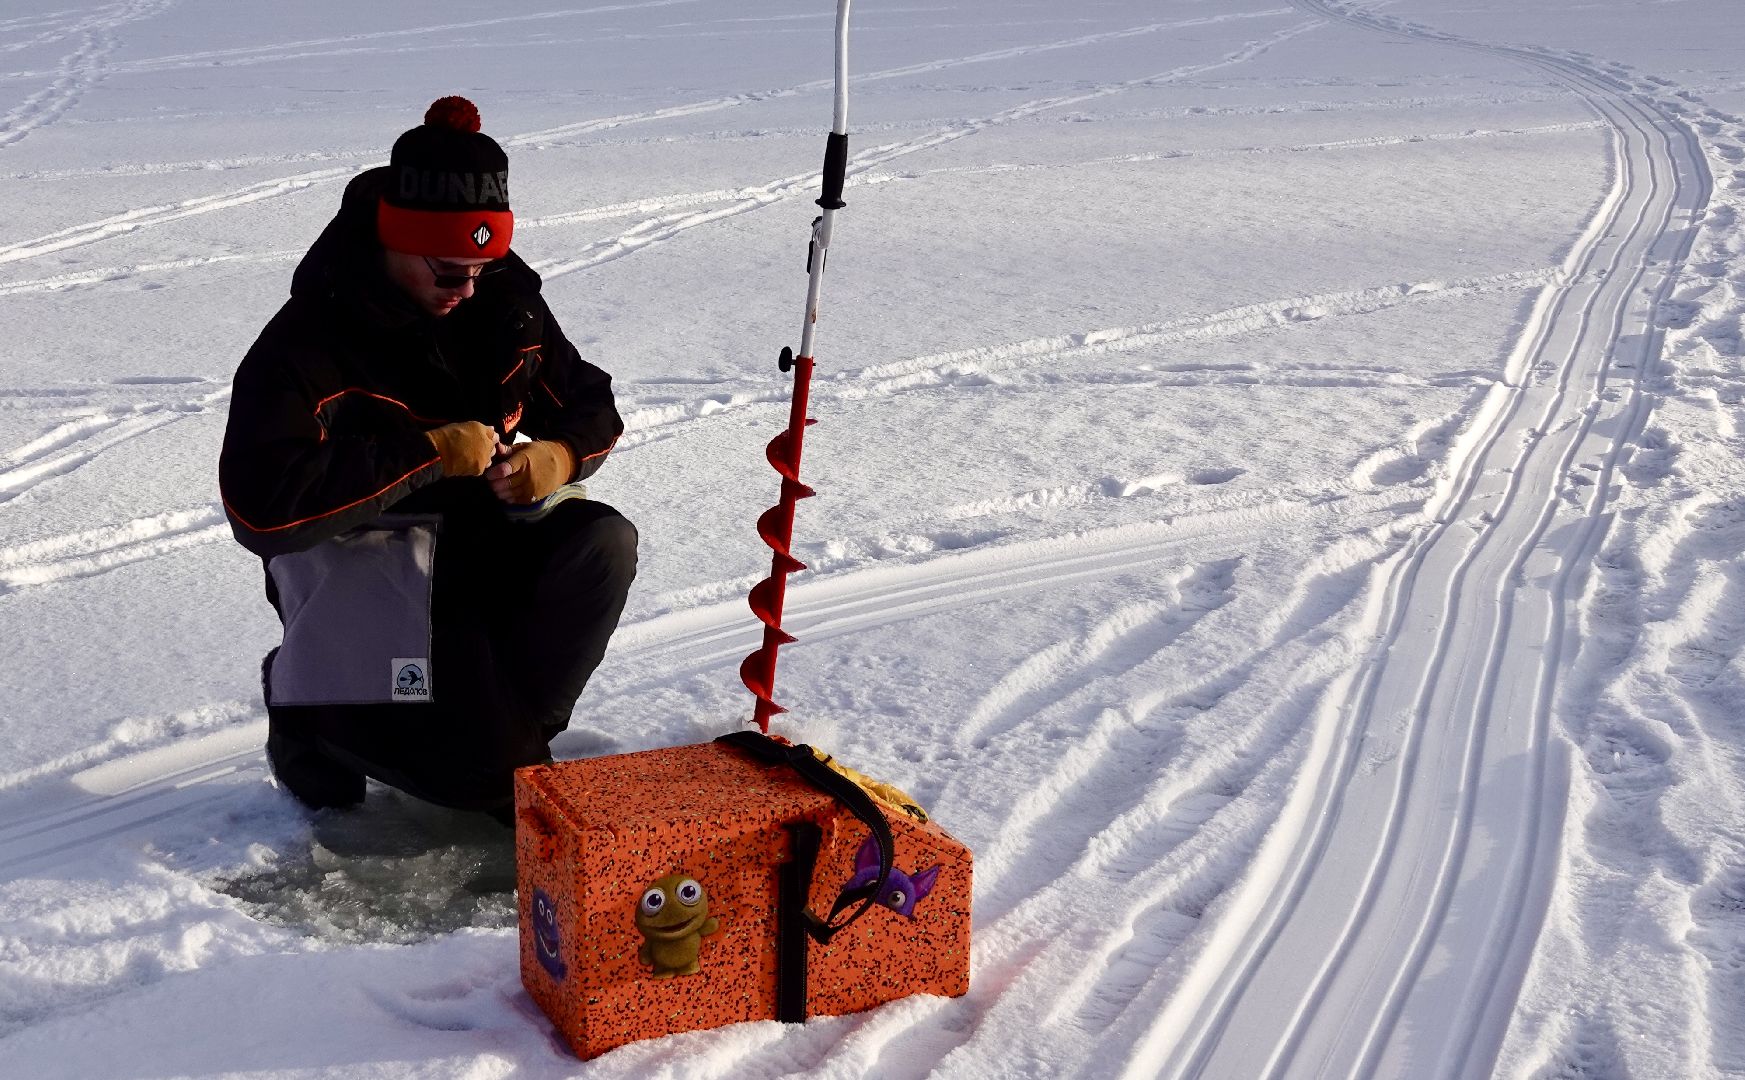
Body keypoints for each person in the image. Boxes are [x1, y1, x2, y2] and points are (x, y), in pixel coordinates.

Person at [219, 96, 637, 818]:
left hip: (478, 550)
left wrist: (561, 456)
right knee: (486, 781)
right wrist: (425, 456)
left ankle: (504, 742)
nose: (468, 289)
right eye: (448, 272)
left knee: (601, 542)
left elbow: (588, 398)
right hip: (370, 566)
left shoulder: (504, 301)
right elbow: (260, 506)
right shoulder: (308, 341)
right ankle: (310, 715)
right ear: (394, 243)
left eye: (484, 265)